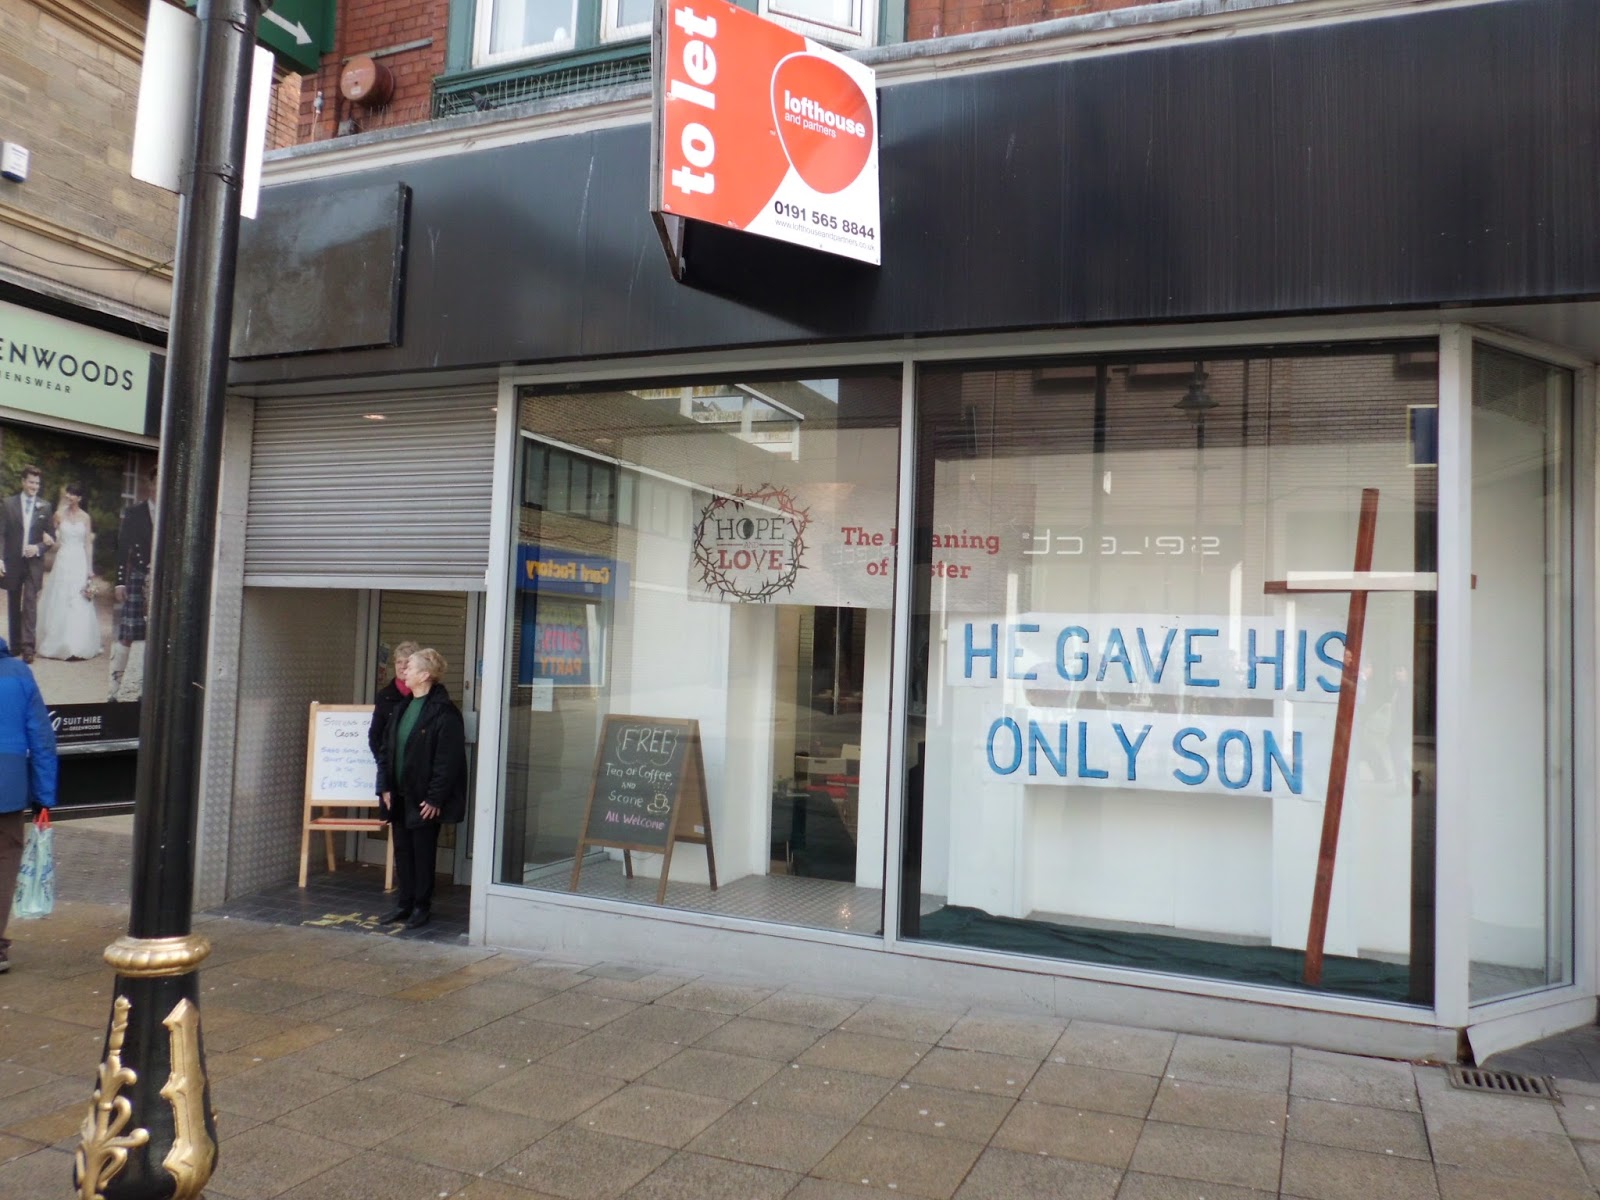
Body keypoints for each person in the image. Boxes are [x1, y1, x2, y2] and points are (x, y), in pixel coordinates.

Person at [376, 648, 467, 930]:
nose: (405, 671)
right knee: (402, 850)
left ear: (425, 675)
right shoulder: (402, 707)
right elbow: (386, 749)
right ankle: (404, 903)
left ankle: (421, 906)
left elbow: (448, 760)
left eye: (411, 667)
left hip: (423, 797)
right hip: (399, 794)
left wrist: (435, 797)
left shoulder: (444, 712)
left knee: (422, 852)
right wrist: (385, 787)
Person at [0, 635, 58, 973]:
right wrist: (44, 798)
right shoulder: (20, 674)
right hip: (7, 788)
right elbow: (42, 740)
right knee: (5, 861)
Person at [36, 484, 102, 662]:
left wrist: (89, 569)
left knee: (78, 599)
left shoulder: (85, 517)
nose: (70, 496)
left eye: (74, 494)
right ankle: (57, 643)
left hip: (79, 560)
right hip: (64, 558)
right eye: (69, 493)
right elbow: (49, 534)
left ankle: (76, 644)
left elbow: (88, 543)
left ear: (80, 498)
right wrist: (60, 511)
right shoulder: (59, 514)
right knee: (60, 597)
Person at [109, 465, 157, 702]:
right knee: (128, 633)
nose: (160, 487)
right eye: (156, 482)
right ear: (150, 485)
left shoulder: (173, 513)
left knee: (157, 634)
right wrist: (120, 581)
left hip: (164, 578)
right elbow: (123, 547)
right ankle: (114, 690)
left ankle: (145, 690)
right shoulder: (134, 512)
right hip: (139, 575)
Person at [0, 467, 56, 664]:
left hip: (34, 563)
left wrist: (38, 548)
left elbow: (51, 538)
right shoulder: (7, 504)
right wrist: (0, 559)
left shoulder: (45, 507)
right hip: (12, 562)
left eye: (37, 483)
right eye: (31, 482)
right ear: (23, 482)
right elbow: (2, 533)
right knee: (14, 603)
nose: (34, 486)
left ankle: (28, 648)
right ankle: (15, 645)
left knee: (30, 604)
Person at [368, 640, 419, 763]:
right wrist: (384, 765)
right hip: (393, 766)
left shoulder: (424, 694)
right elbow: (375, 735)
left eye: (407, 662)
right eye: (399, 662)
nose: (402, 666)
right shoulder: (385, 696)